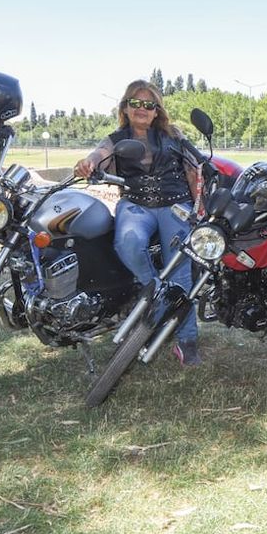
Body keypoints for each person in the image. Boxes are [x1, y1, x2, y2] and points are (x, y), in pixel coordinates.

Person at [74, 79, 204, 366]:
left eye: (149, 104)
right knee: (128, 242)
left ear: (157, 110)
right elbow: (98, 155)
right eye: (136, 103)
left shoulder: (174, 135)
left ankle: (187, 342)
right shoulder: (116, 139)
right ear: (125, 107)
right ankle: (156, 291)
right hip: (136, 205)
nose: (142, 109)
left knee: (181, 273)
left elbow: (194, 168)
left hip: (174, 204)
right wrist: (88, 163)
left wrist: (199, 206)